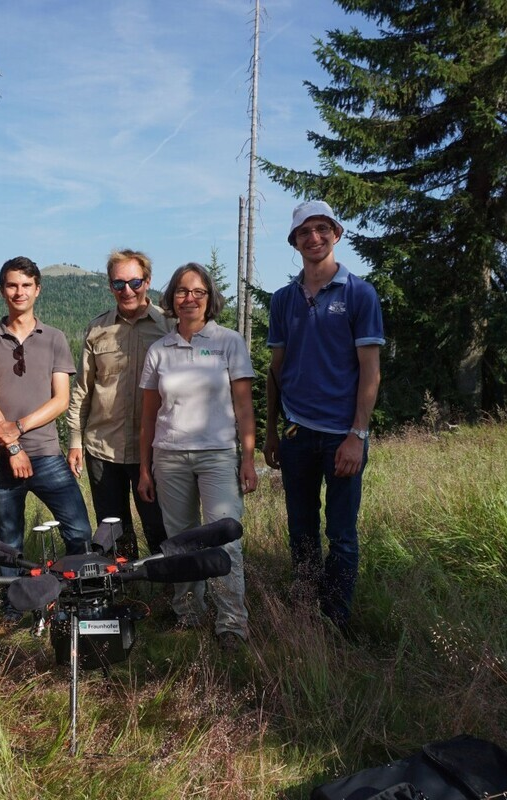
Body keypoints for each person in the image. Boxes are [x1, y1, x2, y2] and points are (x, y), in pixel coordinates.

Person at [263, 200, 383, 631]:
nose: (314, 237)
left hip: (342, 436)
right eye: (304, 232)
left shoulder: (360, 294)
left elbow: (370, 370)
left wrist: (358, 434)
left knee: (343, 536)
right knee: (301, 531)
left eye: (321, 228)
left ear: (336, 233)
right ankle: (304, 612)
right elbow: (275, 370)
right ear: (294, 242)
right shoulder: (283, 300)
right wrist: (272, 431)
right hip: (296, 433)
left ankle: (335, 620)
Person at [137, 262, 258, 650]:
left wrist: (248, 458)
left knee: (226, 539)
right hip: (169, 457)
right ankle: (188, 612)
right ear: (172, 298)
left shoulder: (228, 342)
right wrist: (144, 467)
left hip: (218, 455)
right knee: (180, 540)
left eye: (198, 292)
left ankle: (231, 623)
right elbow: (148, 415)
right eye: (182, 292)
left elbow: (243, 407)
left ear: (210, 298)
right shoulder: (159, 349)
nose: (190, 298)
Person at [0, 257, 91, 620]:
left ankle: (76, 594)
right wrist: (11, 447)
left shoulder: (54, 338)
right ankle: (14, 606)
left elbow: (60, 399)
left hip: (46, 453)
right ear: (2, 290)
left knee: (80, 529)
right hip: (1, 458)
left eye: (26, 285)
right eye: (11, 285)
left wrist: (19, 428)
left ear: (38, 289)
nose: (19, 292)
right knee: (9, 541)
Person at [66, 249, 171, 560]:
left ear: (148, 282)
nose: (127, 290)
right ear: (109, 285)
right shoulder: (98, 329)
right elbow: (83, 389)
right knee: (112, 531)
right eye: (118, 283)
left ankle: (168, 596)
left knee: (159, 526)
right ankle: (124, 594)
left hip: (153, 448)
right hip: (103, 448)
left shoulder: (168, 327)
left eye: (135, 282)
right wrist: (74, 441)